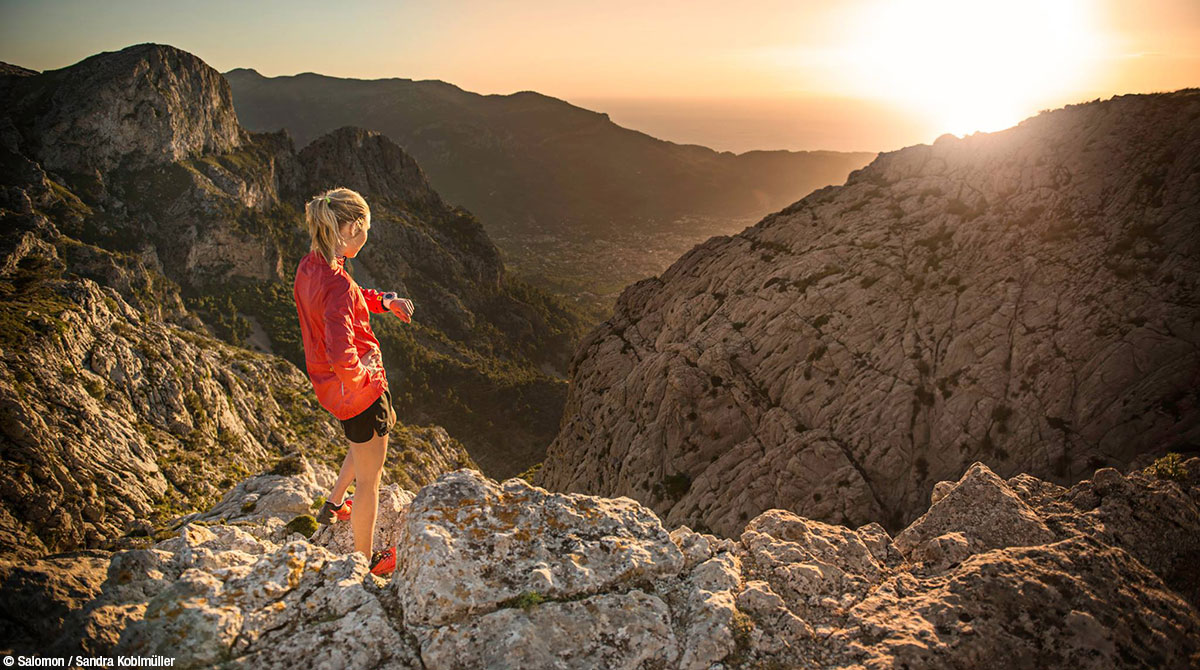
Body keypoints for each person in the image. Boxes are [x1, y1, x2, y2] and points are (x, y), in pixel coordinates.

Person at [292, 186, 415, 577]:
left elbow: (350, 297)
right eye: (365, 230)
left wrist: (385, 301)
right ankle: (365, 561)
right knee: (371, 481)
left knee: (362, 445)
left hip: (332, 390)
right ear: (349, 228)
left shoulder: (312, 266)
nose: (367, 237)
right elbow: (343, 351)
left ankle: (333, 502)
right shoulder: (338, 283)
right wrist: (366, 377)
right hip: (359, 392)